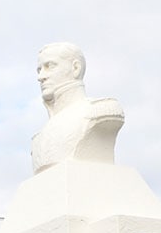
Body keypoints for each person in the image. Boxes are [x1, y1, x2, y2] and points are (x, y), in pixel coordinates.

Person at [30, 42, 125, 173]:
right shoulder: (38, 139)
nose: (40, 77)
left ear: (76, 68)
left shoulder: (100, 111)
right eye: (39, 70)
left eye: (49, 66)